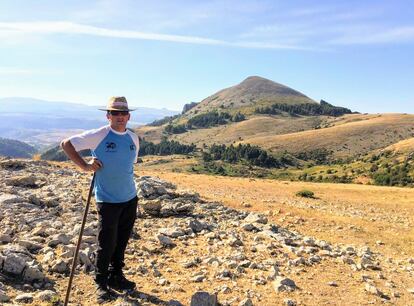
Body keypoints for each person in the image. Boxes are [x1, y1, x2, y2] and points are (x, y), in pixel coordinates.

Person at [61, 96, 139, 303]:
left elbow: (128, 166)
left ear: (129, 116)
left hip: (130, 197)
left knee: (121, 241)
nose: (120, 117)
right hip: (107, 199)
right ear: (108, 115)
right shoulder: (99, 135)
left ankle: (116, 276)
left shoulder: (134, 138)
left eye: (123, 113)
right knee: (106, 243)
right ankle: (100, 283)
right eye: (115, 113)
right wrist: (85, 166)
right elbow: (66, 144)